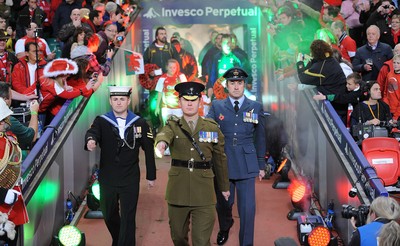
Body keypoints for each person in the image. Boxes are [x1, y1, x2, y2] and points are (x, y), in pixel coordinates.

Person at [154, 81, 230, 246]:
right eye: (185, 100)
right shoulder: (172, 125)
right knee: (178, 237)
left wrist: (224, 187)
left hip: (204, 192)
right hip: (178, 191)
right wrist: (161, 144)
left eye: (193, 100)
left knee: (201, 241)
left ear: (200, 101)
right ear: (180, 102)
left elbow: (220, 159)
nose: (189, 103)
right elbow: (164, 135)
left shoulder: (212, 128)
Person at [85, 86, 156, 246]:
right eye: (115, 99)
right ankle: (118, 239)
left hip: (130, 178)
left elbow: (149, 148)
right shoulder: (102, 121)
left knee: (128, 217)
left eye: (122, 99)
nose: (118, 102)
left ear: (128, 100)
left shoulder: (140, 123)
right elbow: (93, 132)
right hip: (108, 178)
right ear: (110, 101)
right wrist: (90, 140)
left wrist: (151, 175)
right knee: (108, 214)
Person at [206, 67, 266, 246]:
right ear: (227, 85)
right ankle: (225, 226)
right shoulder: (217, 106)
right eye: (232, 83)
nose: (236, 86)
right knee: (224, 204)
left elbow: (260, 136)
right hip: (223, 162)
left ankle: (246, 243)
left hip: (247, 163)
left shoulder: (255, 106)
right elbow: (208, 130)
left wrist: (261, 164)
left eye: (239, 83)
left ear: (244, 84)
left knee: (248, 210)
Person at [0, 98, 29, 246]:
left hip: (13, 193)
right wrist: (3, 194)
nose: (5, 122)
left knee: (13, 240)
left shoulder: (10, 138)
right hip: (2, 199)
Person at [0, 82, 39, 148]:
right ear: (5, 100)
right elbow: (32, 137)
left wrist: (25, 97)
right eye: (11, 96)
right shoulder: (8, 121)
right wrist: (34, 112)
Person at [154, 59, 187, 125]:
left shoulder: (181, 77)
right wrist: (157, 107)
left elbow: (185, 92)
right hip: (166, 107)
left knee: (179, 126)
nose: (172, 69)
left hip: (178, 107)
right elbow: (159, 93)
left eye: (174, 67)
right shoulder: (162, 78)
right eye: (170, 67)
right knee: (166, 125)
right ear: (166, 68)